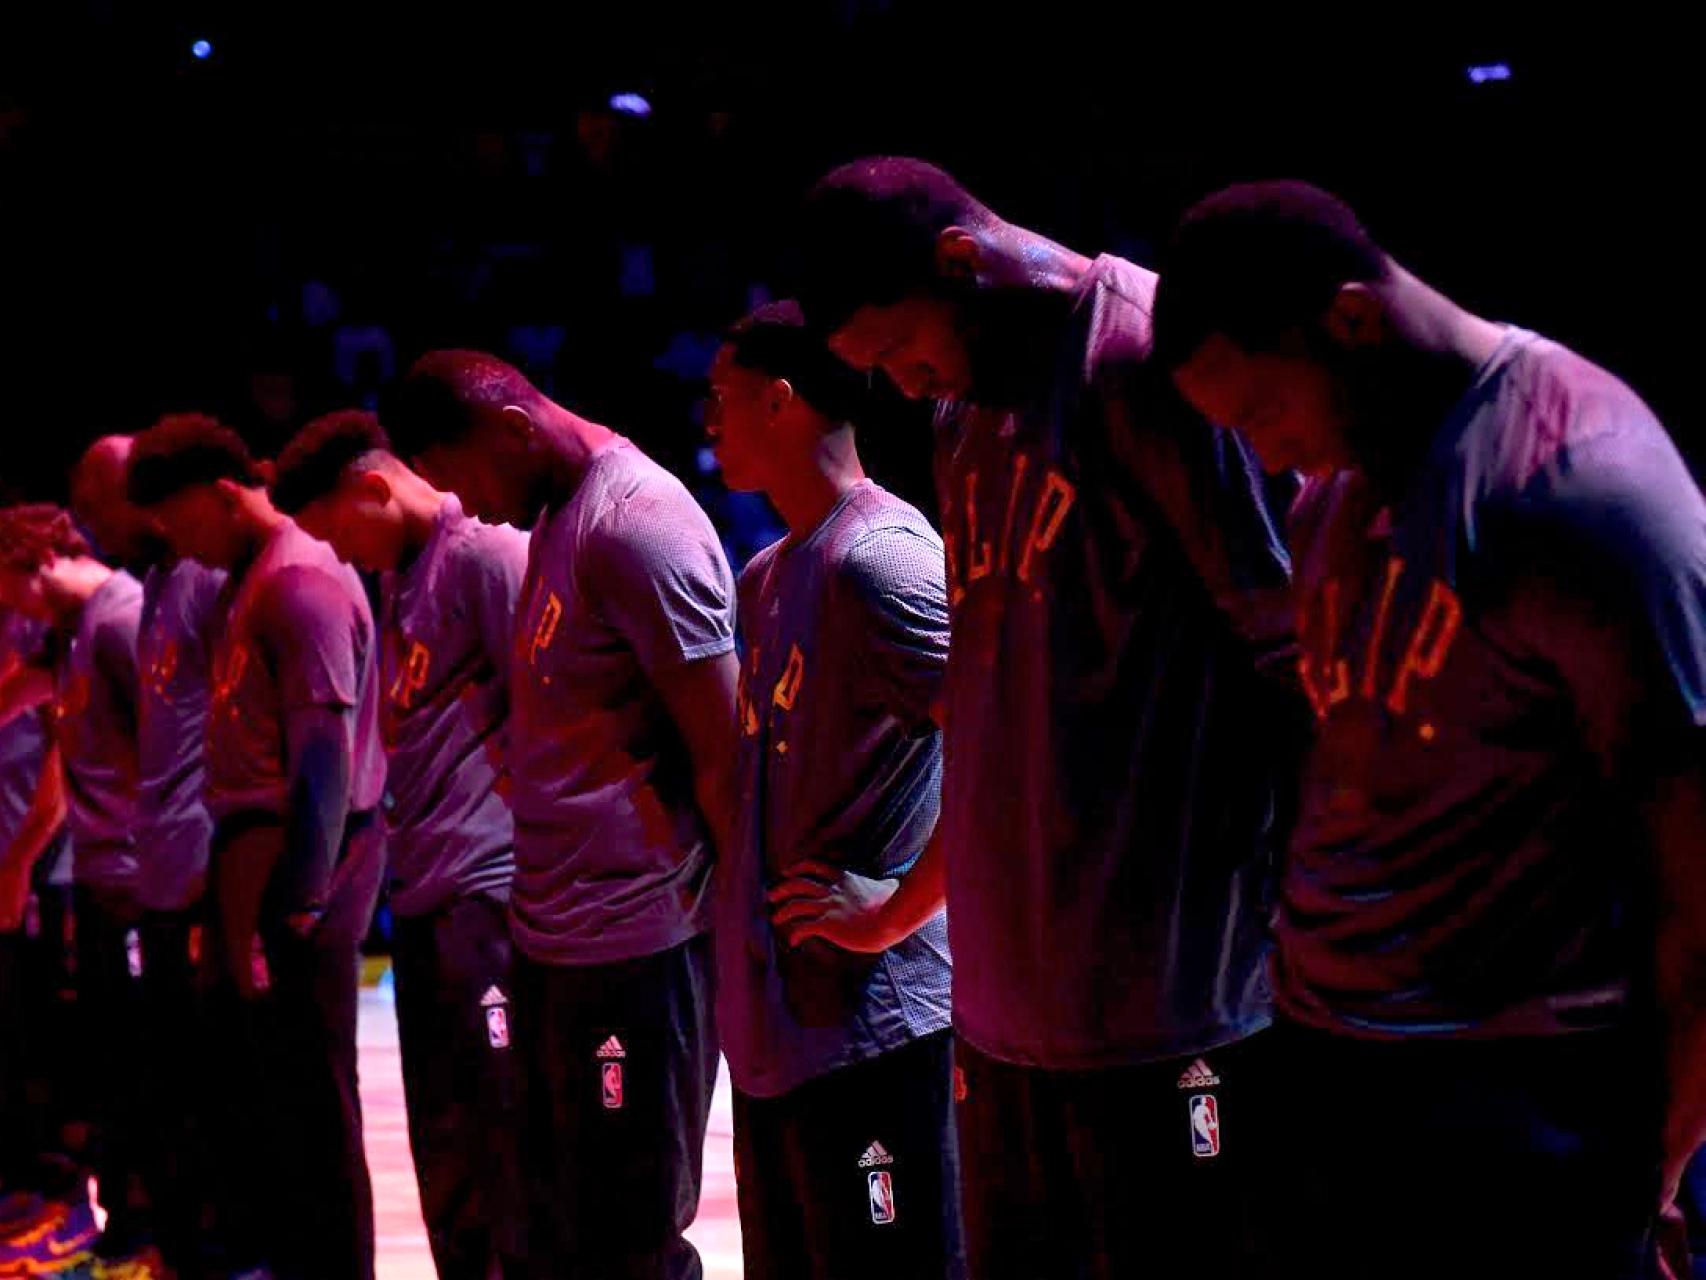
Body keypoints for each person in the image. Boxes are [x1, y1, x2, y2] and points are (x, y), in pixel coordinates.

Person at [1154, 179, 1706, 1278]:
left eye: (1265, 412)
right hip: (1334, 1077)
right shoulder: (1338, 490)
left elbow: (1696, 879)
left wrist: (1652, 1168)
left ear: (1352, 320)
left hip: (1519, 1108)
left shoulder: (1578, 482)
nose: (1270, 457)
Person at [794, 157, 1295, 1278]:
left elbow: (1295, 663)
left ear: (958, 261)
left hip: (1175, 1005)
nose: (908, 386)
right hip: (1005, 1017)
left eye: (902, 348)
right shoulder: (963, 412)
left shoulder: (1146, 359)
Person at [385, 350, 736, 1279]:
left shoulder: (637, 522)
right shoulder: (553, 521)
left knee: (633, 1236)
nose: (467, 507)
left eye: (465, 479)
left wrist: (746, 940)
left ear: (512, 430)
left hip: (640, 946)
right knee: (559, 1227)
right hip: (557, 945)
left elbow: (724, 750)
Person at [706, 301, 961, 1278]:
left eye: (723, 398)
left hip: (877, 1028)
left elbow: (996, 752)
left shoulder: (879, 559)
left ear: (780, 401)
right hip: (784, 1032)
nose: (709, 421)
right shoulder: (767, 576)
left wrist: (895, 913)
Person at [127, 415, 387, 1280]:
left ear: (221, 492)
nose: (179, 544)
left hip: (298, 860)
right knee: (270, 1092)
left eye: (179, 520)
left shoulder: (300, 580)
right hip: (252, 858)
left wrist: (303, 896)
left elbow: (324, 756)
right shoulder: (248, 582)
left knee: (313, 1095)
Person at [272, 408, 528, 1279]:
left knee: (501, 1141)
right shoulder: (398, 580)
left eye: (337, 531)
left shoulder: (488, 554)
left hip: (489, 895)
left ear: (374, 488)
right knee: (443, 1151)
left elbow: (543, 718)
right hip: (422, 894)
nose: (339, 556)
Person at [72, 432, 226, 1278]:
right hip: (154, 874)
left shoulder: (185, 587)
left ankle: (197, 1239)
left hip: (178, 874)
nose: (90, 521)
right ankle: (166, 1240)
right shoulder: (156, 587)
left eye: (98, 501)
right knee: (151, 1074)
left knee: (187, 1081)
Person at [0, 504, 153, 1267]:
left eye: (8, 590)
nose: (12, 610)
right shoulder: (72, 633)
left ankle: (145, 1225)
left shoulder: (123, 619)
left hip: (135, 876)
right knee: (104, 1058)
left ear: (35, 563)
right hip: (99, 875)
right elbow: (17, 696)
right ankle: (117, 1224)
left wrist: (23, 861)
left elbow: (162, 757)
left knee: (130, 1060)